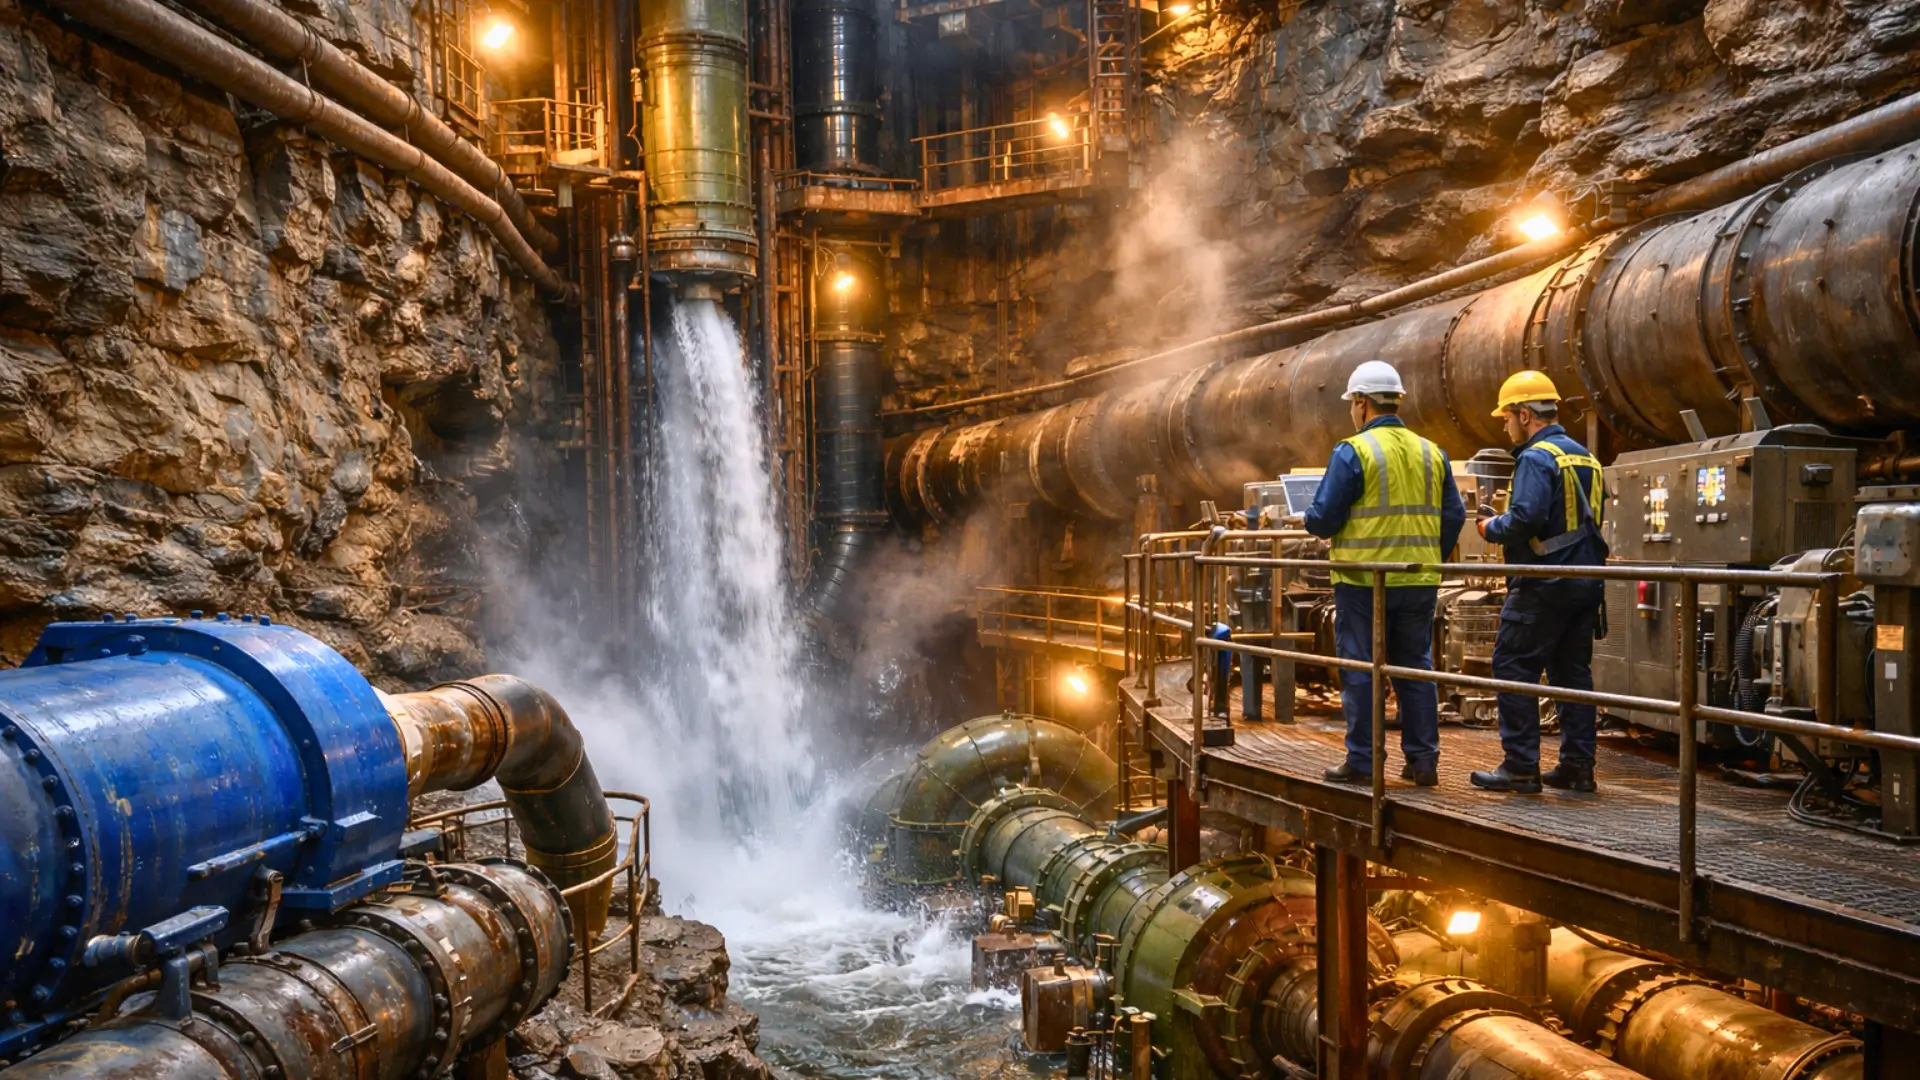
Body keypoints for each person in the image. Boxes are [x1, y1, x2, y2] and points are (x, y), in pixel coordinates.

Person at [1303, 360, 1465, 788]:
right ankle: (1423, 763)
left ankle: (1364, 761)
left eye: (1352, 404)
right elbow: (1455, 514)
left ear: (1360, 403)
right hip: (1419, 580)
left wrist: (1312, 520)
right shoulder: (1433, 452)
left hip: (1363, 582)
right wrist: (1431, 552)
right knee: (1415, 667)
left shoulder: (1353, 451)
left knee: (1361, 668)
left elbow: (1321, 518)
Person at [1469, 371, 1610, 795]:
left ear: (1525, 414)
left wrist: (1490, 527)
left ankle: (1520, 767)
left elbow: (1526, 517)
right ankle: (1577, 767)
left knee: (1513, 667)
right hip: (1585, 582)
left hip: (1542, 584)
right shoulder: (1586, 456)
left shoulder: (1535, 457)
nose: (1506, 426)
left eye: (1507, 418)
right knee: (1573, 675)